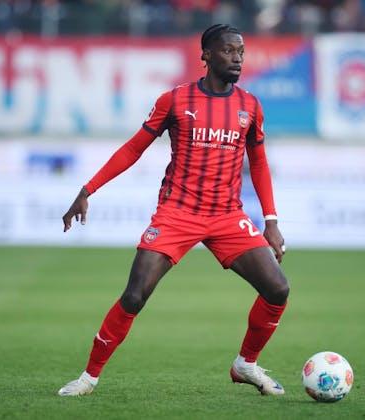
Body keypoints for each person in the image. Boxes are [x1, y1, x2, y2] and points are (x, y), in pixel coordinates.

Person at [58, 24, 290, 397]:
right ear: (207, 55)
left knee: (277, 289)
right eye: (228, 51)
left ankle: (245, 364)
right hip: (177, 213)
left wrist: (271, 221)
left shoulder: (250, 105)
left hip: (227, 215)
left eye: (241, 52)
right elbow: (134, 148)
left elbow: (259, 163)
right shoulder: (176, 100)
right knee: (135, 295)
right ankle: (88, 377)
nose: (237, 59)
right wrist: (88, 190)